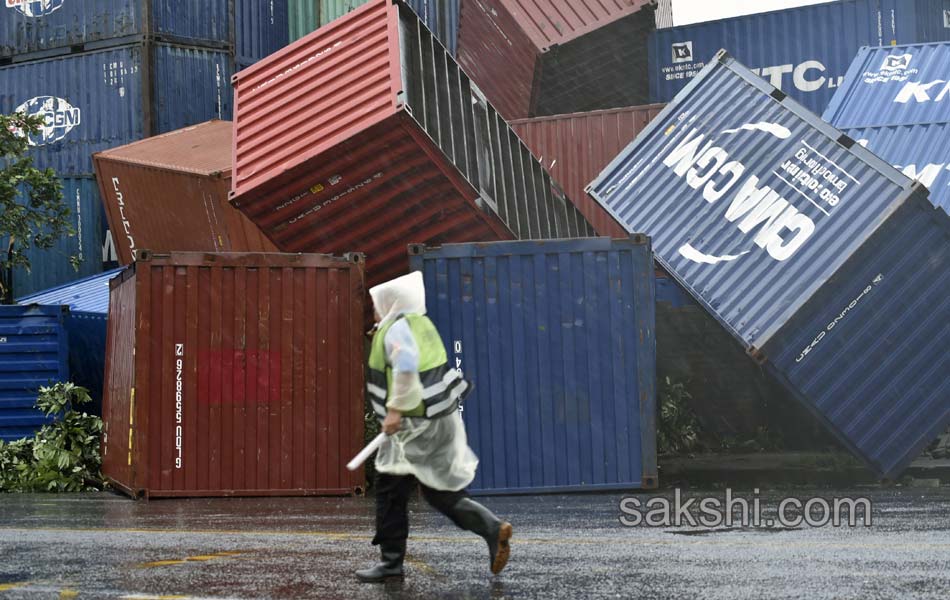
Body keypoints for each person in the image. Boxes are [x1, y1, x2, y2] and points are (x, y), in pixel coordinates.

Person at [356, 271, 512, 583]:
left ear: (392, 303)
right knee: (439, 491)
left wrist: (394, 411)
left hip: (412, 425)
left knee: (390, 491)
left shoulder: (397, 328)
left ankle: (390, 563)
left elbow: (406, 366)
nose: (374, 310)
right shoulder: (418, 324)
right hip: (437, 421)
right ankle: (492, 528)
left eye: (377, 304)